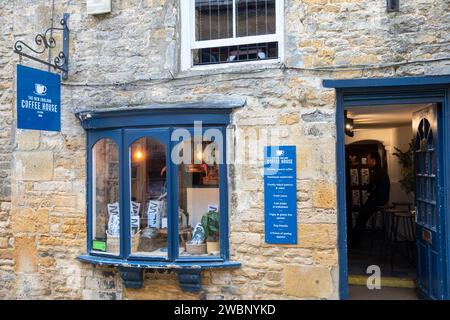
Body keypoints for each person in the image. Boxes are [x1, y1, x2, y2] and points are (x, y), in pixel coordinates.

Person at [350, 151, 390, 248]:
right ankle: (355, 241)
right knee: (361, 216)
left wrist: (369, 190)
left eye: (368, 159)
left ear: (373, 160)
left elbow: (372, 186)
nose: (366, 161)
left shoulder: (377, 171)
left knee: (361, 217)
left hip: (377, 201)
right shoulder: (379, 170)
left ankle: (354, 242)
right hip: (379, 199)